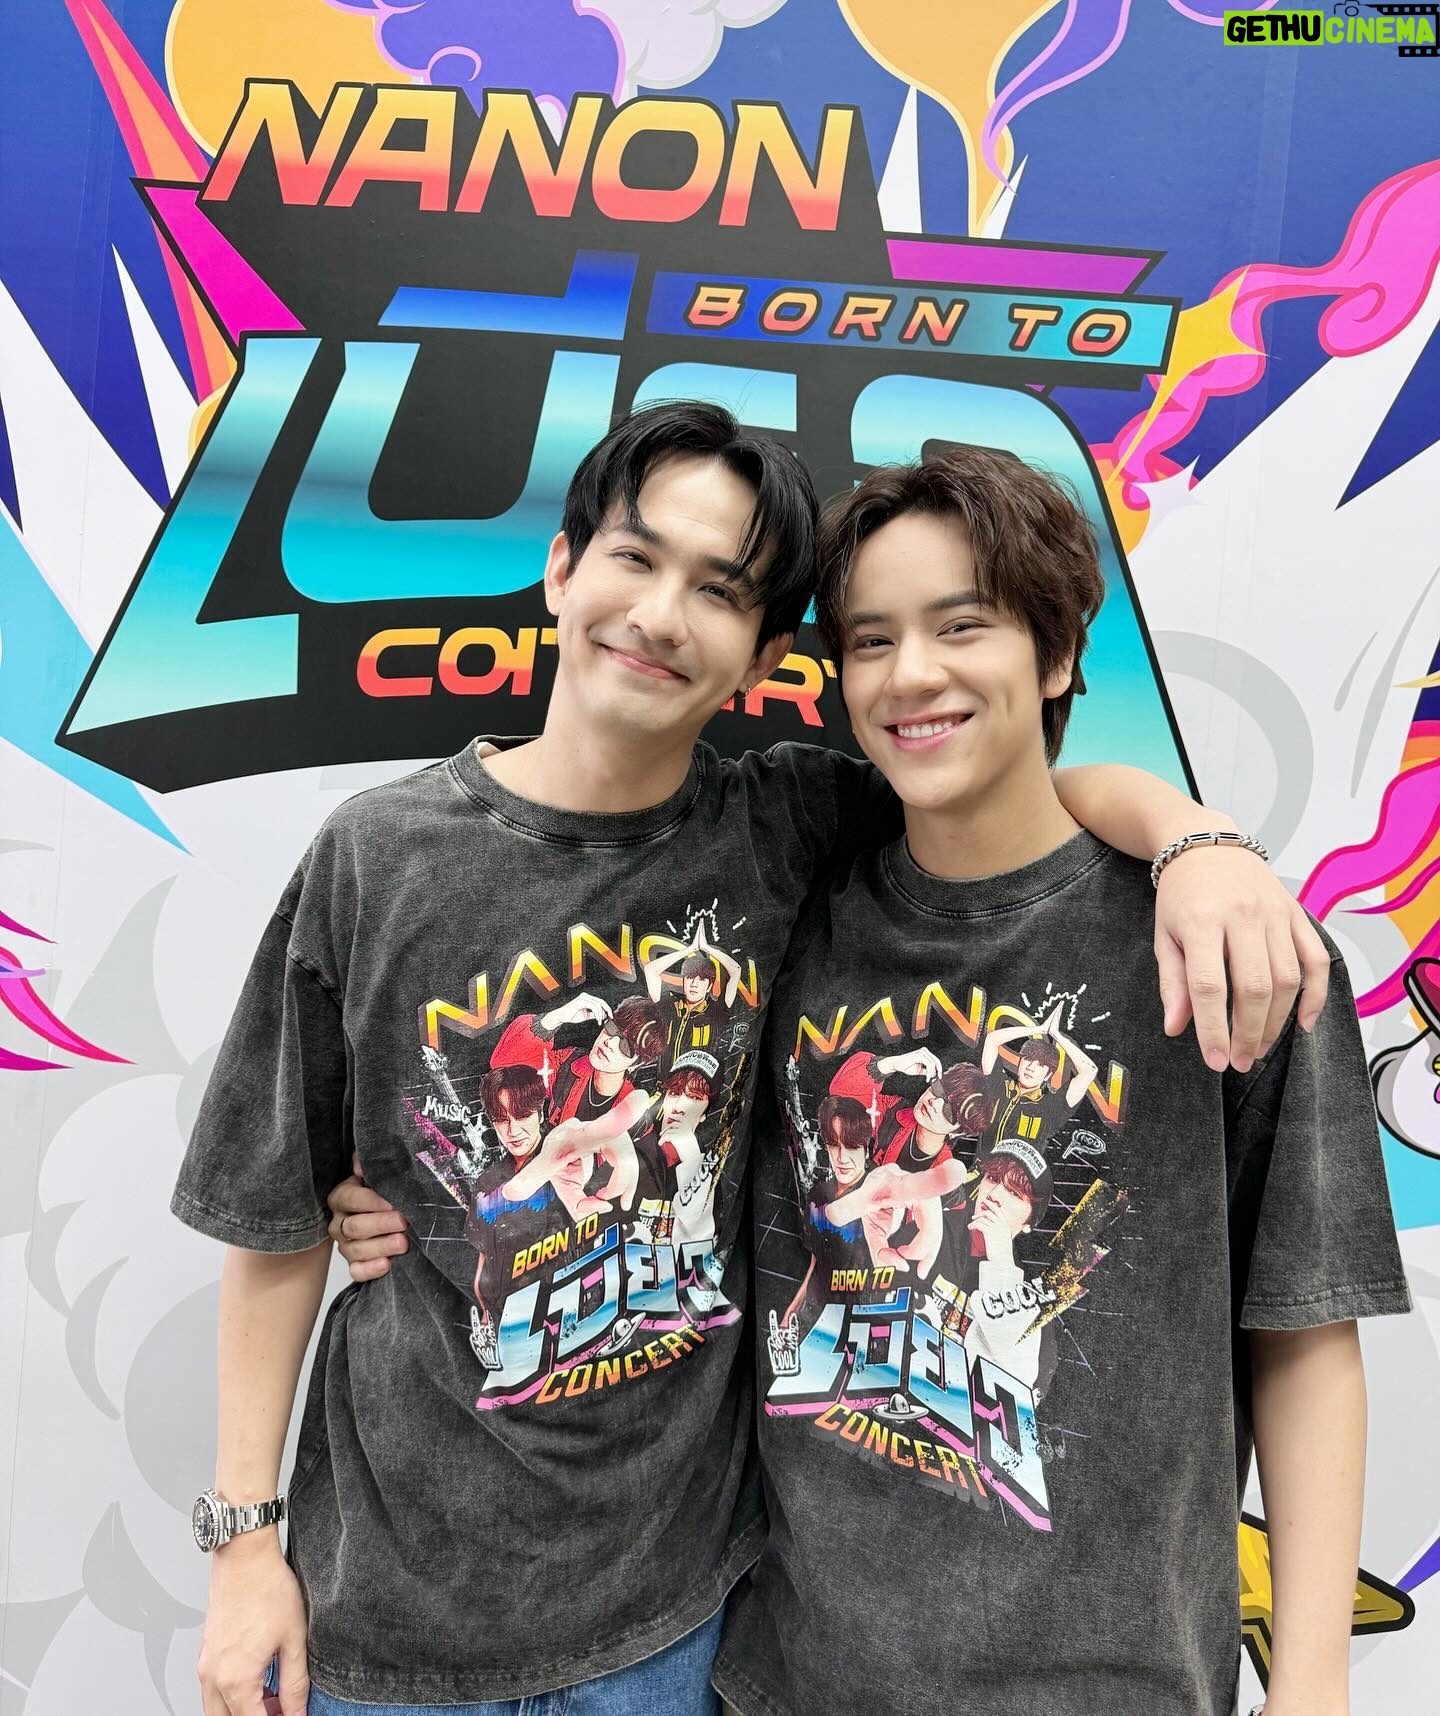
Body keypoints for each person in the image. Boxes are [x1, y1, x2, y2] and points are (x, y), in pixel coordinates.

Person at [185, 401, 1326, 1716]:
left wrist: (1196, 839)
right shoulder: (376, 856)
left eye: (720, 592)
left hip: (674, 1621)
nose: (660, 616)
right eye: (635, 558)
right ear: (561, 569)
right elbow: (271, 1208)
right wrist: (243, 1544)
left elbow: (1005, 787)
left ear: (767, 653)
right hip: (390, 1608)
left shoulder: (788, 825)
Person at [714, 444, 1408, 1716]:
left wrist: (1313, 1683)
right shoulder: (795, 907)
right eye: (871, 641)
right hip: (798, 1680)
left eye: (961, 625)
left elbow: (1305, 1327)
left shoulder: (1232, 946)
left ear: (1056, 657)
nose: (911, 674)